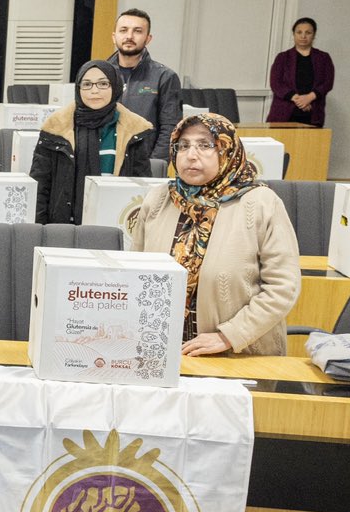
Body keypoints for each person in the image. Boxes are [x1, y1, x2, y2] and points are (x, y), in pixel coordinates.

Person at [124, 111, 300, 358]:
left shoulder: (261, 203)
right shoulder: (159, 198)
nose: (191, 155)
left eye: (205, 145)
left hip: (238, 353)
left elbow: (283, 287)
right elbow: (136, 273)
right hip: (162, 350)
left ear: (227, 150)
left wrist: (230, 335)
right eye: (183, 146)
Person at [27, 59, 153, 225]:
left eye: (103, 84)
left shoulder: (134, 131)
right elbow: (40, 187)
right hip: (62, 226)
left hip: (115, 224)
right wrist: (40, 230)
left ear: (114, 87)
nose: (94, 90)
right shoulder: (55, 128)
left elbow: (142, 188)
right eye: (87, 84)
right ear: (78, 89)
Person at [108, 8, 182, 161]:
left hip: (143, 164)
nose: (129, 36)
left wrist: (154, 165)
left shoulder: (165, 77)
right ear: (114, 37)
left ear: (148, 38)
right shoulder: (99, 75)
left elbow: (170, 128)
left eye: (137, 31)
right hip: (103, 161)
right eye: (123, 30)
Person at [267, 16, 335, 126]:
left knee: (312, 142)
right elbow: (275, 83)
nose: (303, 36)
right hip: (284, 113)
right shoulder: (283, 57)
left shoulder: (323, 58)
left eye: (308, 32)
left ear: (314, 35)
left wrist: (309, 97)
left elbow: (328, 83)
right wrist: (298, 100)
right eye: (299, 32)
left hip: (313, 111)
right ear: (293, 34)